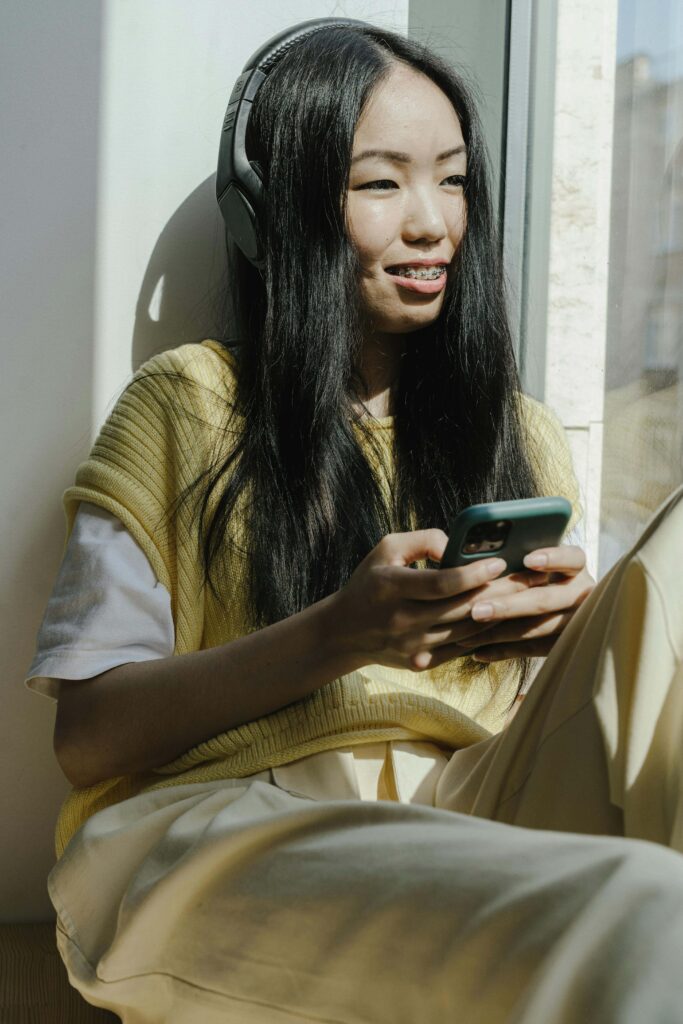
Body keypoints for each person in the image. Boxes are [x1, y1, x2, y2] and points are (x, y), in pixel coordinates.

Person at [25, 19, 683, 1024]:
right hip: (232, 829)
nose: (432, 223)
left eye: (452, 180)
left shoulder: (520, 436)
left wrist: (551, 641)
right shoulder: (187, 403)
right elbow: (89, 736)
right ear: (273, 212)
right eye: (381, 183)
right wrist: (341, 631)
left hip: (465, 802)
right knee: (644, 906)